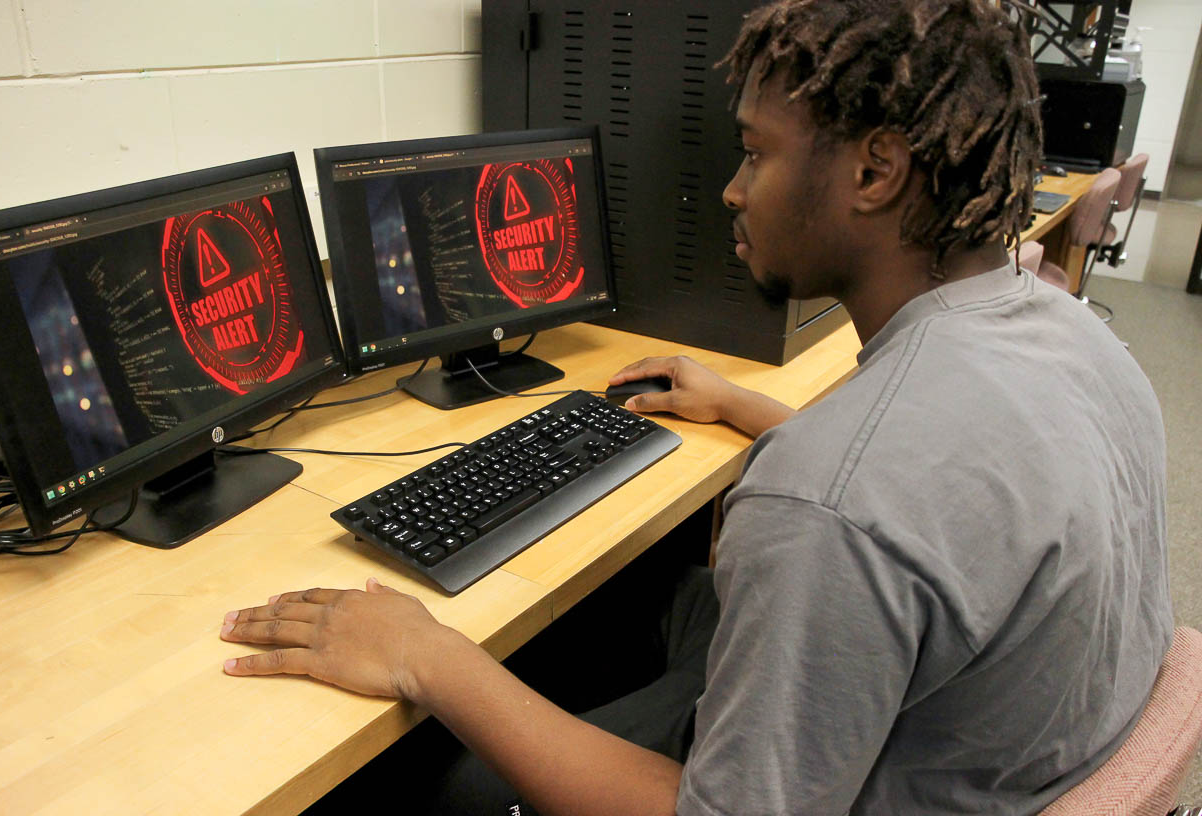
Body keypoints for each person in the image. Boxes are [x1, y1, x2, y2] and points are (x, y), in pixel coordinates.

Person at [219, 0, 1172, 813]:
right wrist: (744, 405)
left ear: (875, 173)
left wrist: (426, 657)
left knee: (447, 777)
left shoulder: (826, 505)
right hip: (1005, 736)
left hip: (886, 782)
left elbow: (853, 515)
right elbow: (941, 501)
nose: (731, 188)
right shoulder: (1065, 329)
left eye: (756, 153)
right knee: (648, 598)